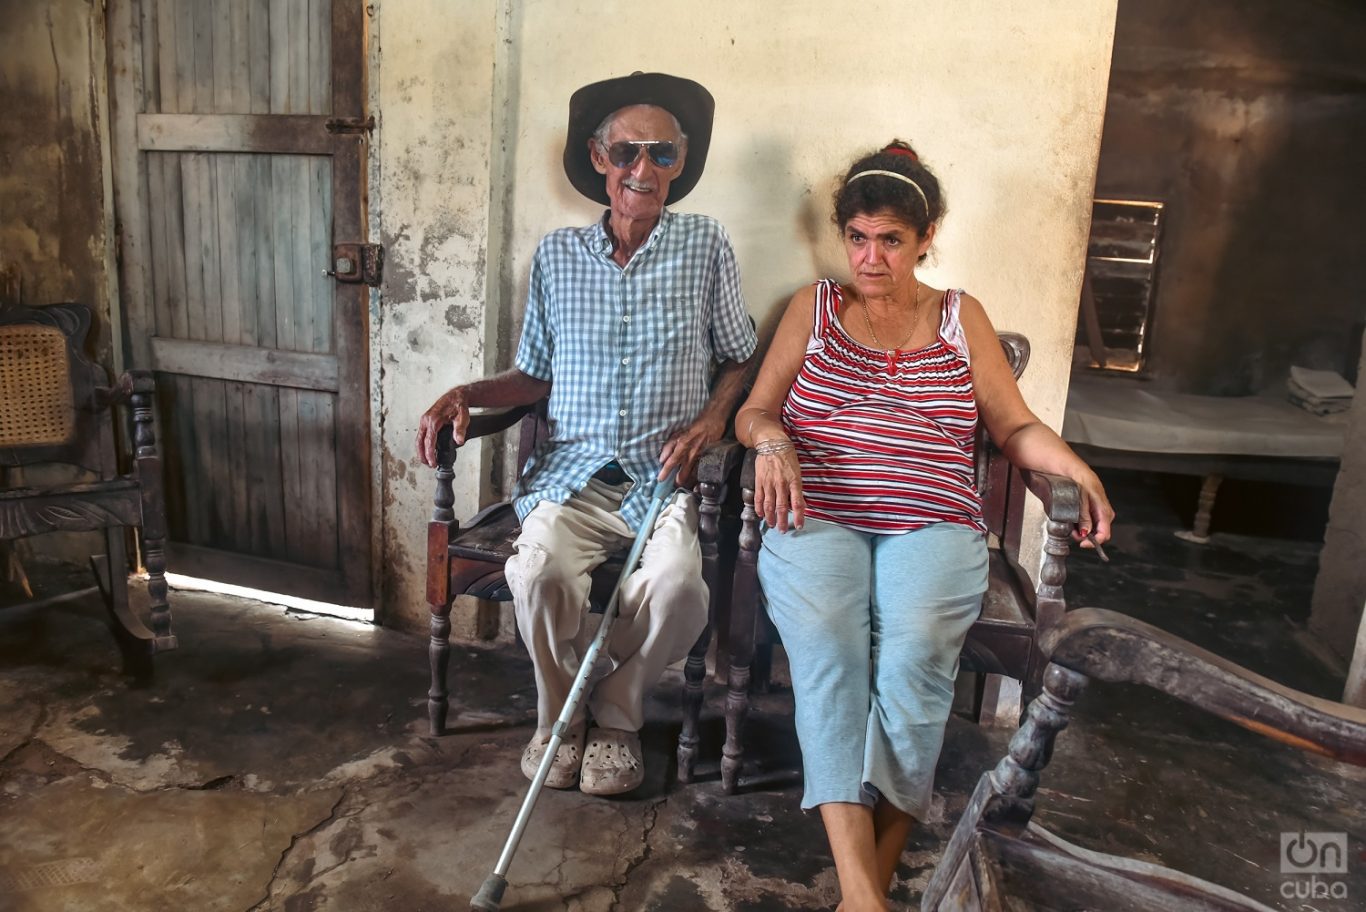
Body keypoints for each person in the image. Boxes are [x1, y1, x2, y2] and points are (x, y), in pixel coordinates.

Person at [735, 141, 1113, 910]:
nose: (872, 258)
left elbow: (1012, 424)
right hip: (819, 516)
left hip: (933, 525)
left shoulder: (958, 316)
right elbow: (755, 409)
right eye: (859, 237)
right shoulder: (813, 308)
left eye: (892, 240)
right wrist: (772, 440)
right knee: (829, 655)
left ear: (926, 235)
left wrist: (1079, 471)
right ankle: (864, 892)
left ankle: (864, 889)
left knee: (914, 665)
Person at [415, 72, 756, 797]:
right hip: (570, 473)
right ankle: (559, 718)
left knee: (681, 592)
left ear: (681, 162)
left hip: (660, 479)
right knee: (535, 575)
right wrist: (467, 395)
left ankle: (617, 715)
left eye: (662, 154)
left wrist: (710, 421)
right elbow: (533, 376)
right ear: (599, 158)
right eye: (628, 152)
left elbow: (738, 354)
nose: (644, 170)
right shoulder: (557, 256)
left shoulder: (705, 246)